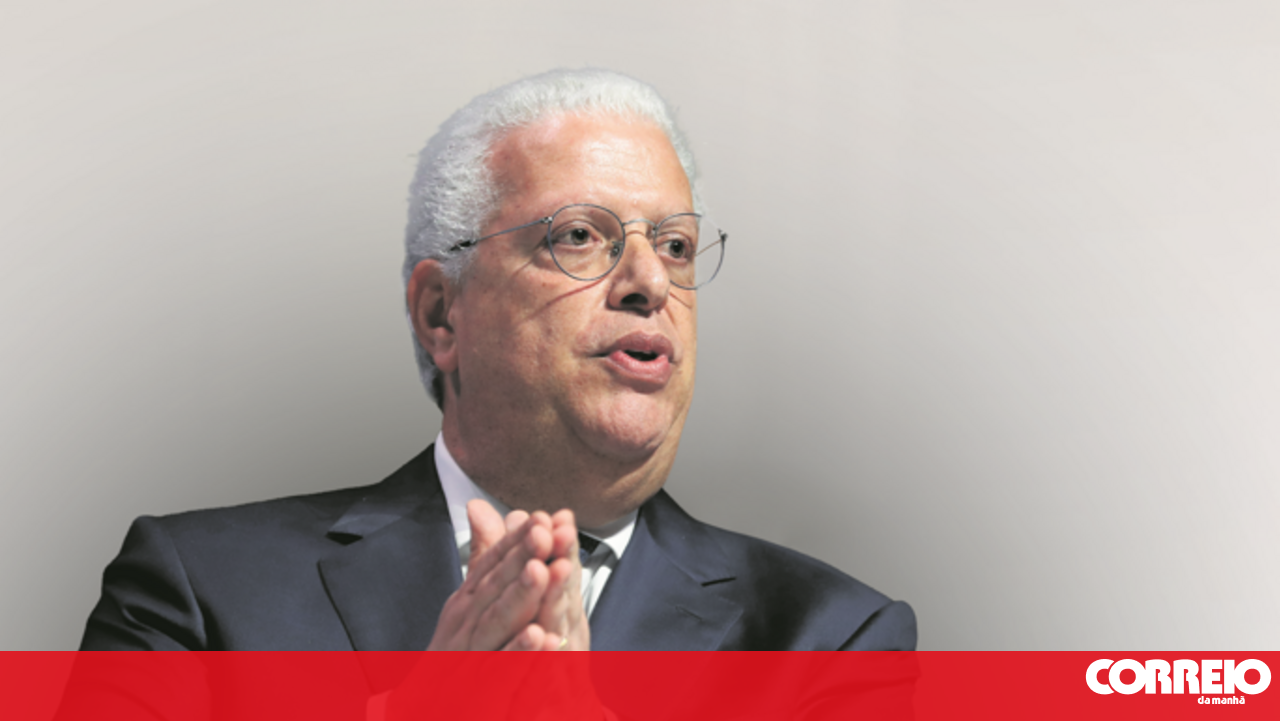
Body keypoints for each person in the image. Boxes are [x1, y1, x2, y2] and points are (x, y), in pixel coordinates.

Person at [79, 69, 915, 657]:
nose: (651, 282)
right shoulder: (199, 590)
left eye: (675, 245)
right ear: (441, 314)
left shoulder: (831, 636)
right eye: (580, 235)